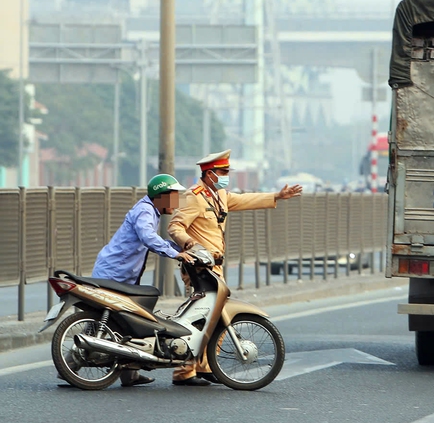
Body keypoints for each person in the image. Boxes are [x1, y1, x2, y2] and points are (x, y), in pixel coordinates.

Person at [167, 149, 302, 386]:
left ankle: (205, 366)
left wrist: (277, 196)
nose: (226, 176)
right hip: (199, 269)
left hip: (214, 267)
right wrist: (190, 244)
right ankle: (184, 372)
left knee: (216, 315)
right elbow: (175, 226)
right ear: (209, 174)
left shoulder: (219, 194)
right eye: (222, 172)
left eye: (227, 172)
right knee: (197, 318)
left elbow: (243, 199)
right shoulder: (193, 197)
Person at [89, 174, 196, 387]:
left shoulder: (150, 210)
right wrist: (175, 255)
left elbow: (154, 239)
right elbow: (148, 237)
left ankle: (130, 375)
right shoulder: (145, 211)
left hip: (122, 275)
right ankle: (72, 367)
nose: (176, 203)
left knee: (127, 323)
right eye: (173, 197)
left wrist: (181, 248)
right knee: (107, 323)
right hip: (113, 275)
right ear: (161, 197)